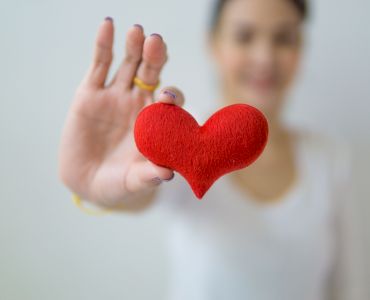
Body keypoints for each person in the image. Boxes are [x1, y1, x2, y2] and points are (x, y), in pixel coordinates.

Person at [58, 0, 363, 299]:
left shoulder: (332, 158)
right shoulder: (177, 141)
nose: (265, 57)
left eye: (283, 38)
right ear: (213, 44)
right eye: (244, 36)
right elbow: (137, 195)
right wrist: (94, 183)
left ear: (300, 49)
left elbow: (346, 287)